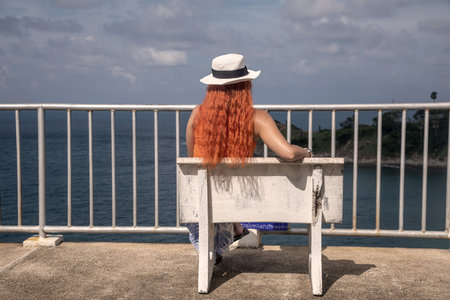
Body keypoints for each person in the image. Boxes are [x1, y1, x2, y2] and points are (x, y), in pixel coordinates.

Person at [185, 53, 312, 264]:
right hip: (237, 202)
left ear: (213, 87)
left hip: (201, 201)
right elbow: (289, 154)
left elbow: (192, 161)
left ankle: (229, 233)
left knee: (213, 184)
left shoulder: (197, 114)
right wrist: (306, 152)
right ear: (246, 85)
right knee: (232, 188)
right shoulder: (258, 118)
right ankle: (235, 227)